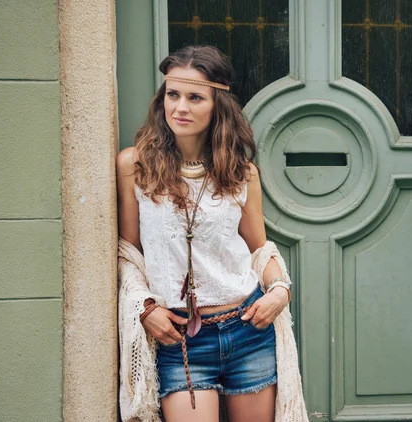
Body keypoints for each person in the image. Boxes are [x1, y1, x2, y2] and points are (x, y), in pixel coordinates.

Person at [116, 46, 307, 422]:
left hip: (248, 331)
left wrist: (280, 290)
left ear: (217, 105)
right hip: (179, 340)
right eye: (172, 95)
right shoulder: (133, 165)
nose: (180, 107)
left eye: (194, 97)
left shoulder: (241, 172)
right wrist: (145, 308)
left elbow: (259, 249)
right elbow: (129, 254)